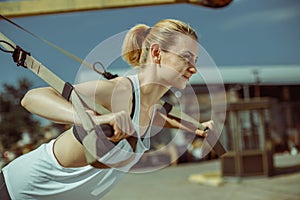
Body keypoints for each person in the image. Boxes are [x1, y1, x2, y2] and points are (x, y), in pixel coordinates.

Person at [0, 19, 216, 200]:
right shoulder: (119, 91)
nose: (194, 68)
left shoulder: (152, 109)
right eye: (186, 57)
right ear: (157, 53)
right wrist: (88, 119)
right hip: (15, 190)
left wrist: (195, 127)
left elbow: (160, 116)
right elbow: (32, 98)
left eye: (195, 60)